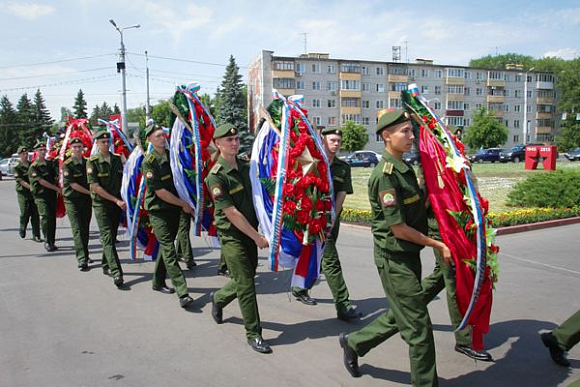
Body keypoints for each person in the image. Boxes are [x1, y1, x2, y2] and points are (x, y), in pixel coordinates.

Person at [339, 109, 453, 386]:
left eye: (411, 131)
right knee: (418, 329)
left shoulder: (403, 167)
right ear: (386, 136)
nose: (411, 136)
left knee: (402, 314)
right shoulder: (385, 175)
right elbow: (398, 228)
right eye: (405, 131)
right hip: (394, 260)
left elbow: (417, 206)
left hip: (409, 257)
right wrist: (436, 243)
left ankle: (355, 342)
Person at [206, 123, 271, 354]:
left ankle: (219, 298)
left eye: (235, 139)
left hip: (250, 230)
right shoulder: (216, 176)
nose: (234, 143)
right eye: (228, 140)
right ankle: (254, 333)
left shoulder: (246, 166)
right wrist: (257, 238)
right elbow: (231, 213)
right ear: (218, 144)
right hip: (233, 235)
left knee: (247, 275)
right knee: (246, 284)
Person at [291, 127, 362, 321]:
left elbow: (341, 195)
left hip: (330, 220)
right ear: (323, 141)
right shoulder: (313, 162)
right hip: (314, 221)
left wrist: (332, 218)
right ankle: (343, 305)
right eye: (332, 140)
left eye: (339, 141)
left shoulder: (343, 167)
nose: (336, 144)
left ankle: (300, 287)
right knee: (331, 261)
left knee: (320, 257)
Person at [142, 124, 194, 308]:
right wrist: (183, 204)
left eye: (162, 134)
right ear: (149, 139)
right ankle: (183, 291)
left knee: (166, 248)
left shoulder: (173, 155)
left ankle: (157, 281)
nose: (162, 138)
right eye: (157, 136)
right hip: (158, 210)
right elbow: (160, 191)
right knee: (169, 250)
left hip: (174, 209)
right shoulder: (149, 162)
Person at [87, 130, 126, 288]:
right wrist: (115, 200)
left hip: (116, 204)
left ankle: (105, 264)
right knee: (108, 237)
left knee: (113, 234)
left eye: (107, 141)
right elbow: (95, 186)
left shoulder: (117, 159)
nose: (105, 144)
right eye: (102, 142)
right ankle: (116, 272)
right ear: (96, 143)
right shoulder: (92, 162)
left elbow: (125, 179)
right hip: (102, 204)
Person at [62, 137, 92, 271]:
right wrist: (91, 192)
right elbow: (73, 184)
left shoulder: (87, 163)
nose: (78, 149)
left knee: (85, 228)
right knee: (78, 229)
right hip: (72, 200)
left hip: (85, 200)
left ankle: (85, 253)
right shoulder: (67, 164)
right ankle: (82, 259)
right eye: (75, 147)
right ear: (70, 149)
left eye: (80, 146)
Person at [29, 140, 60, 252]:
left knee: (52, 218)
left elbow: (57, 174)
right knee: (46, 217)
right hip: (41, 196)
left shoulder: (49, 164)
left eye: (44, 150)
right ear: (36, 152)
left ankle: (52, 241)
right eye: (40, 150)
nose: (42, 152)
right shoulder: (34, 166)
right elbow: (41, 181)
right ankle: (47, 241)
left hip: (51, 196)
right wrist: (57, 189)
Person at [13, 145, 41, 242]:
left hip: (33, 193)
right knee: (25, 212)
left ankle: (36, 235)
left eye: (26, 154)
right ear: (19, 155)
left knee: (35, 214)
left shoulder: (31, 165)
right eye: (23, 154)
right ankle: (22, 227)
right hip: (23, 193)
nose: (25, 155)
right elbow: (20, 181)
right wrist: (31, 187)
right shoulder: (17, 166)